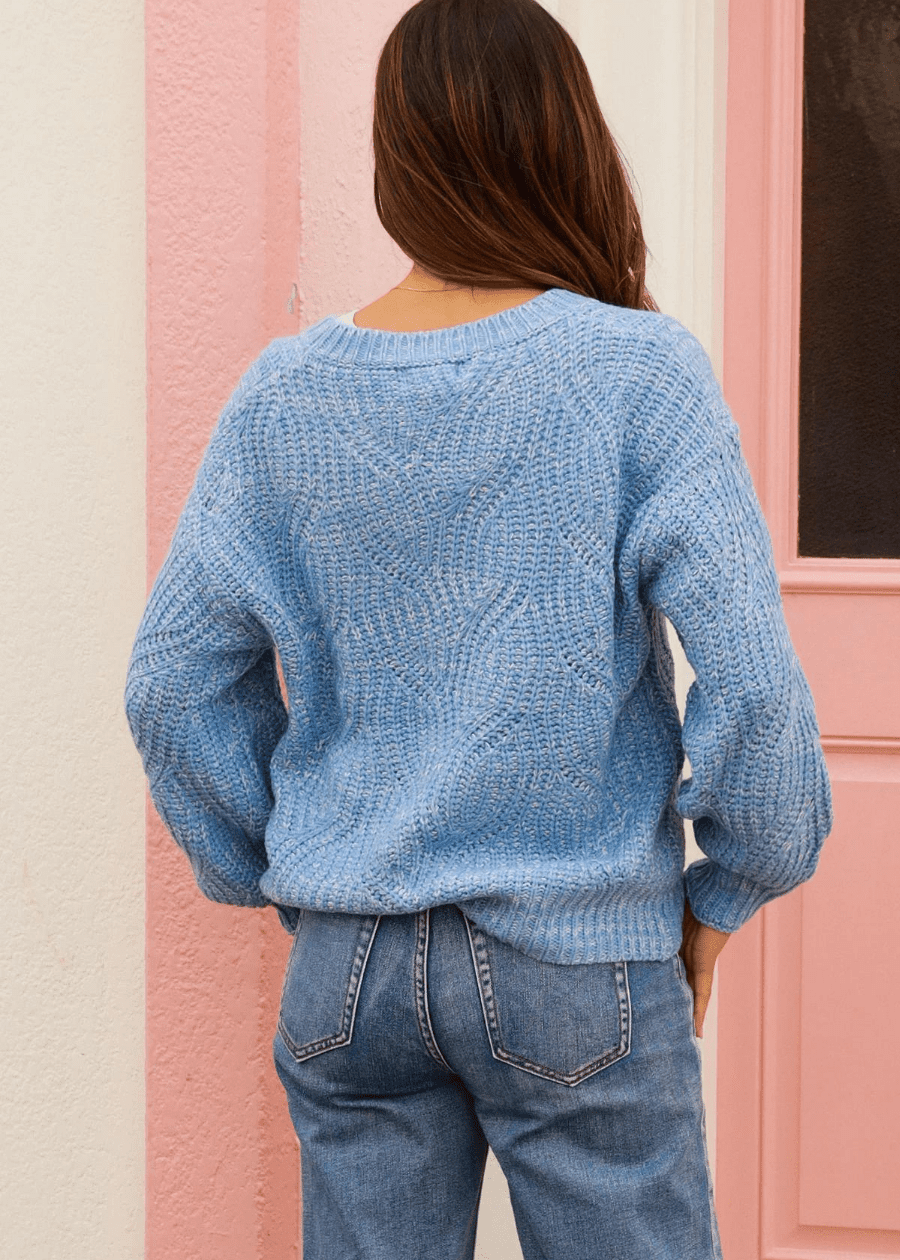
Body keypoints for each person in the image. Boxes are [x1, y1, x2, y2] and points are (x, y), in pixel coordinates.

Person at [123, 1, 832, 1256]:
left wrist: (294, 876)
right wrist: (725, 895)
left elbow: (174, 685)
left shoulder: (282, 394)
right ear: (566, 141)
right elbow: (758, 693)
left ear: (397, 157)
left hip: (352, 973)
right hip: (580, 959)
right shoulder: (637, 374)